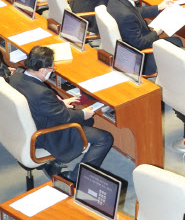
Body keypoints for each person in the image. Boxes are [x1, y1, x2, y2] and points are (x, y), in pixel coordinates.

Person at [10, 46, 114, 179]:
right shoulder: (41, 93)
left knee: (88, 121)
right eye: (51, 69)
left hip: (30, 122)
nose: (53, 71)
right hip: (46, 133)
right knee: (105, 138)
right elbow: (64, 117)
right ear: (42, 70)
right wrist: (83, 113)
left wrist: (59, 103)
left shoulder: (17, 77)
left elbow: (36, 103)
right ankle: (76, 178)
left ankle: (62, 159)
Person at [107, 0, 183, 75]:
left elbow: (135, 11)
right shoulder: (127, 17)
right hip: (141, 58)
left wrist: (158, 7)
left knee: (175, 41)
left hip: (122, 49)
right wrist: (157, 31)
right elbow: (140, 43)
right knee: (178, 44)